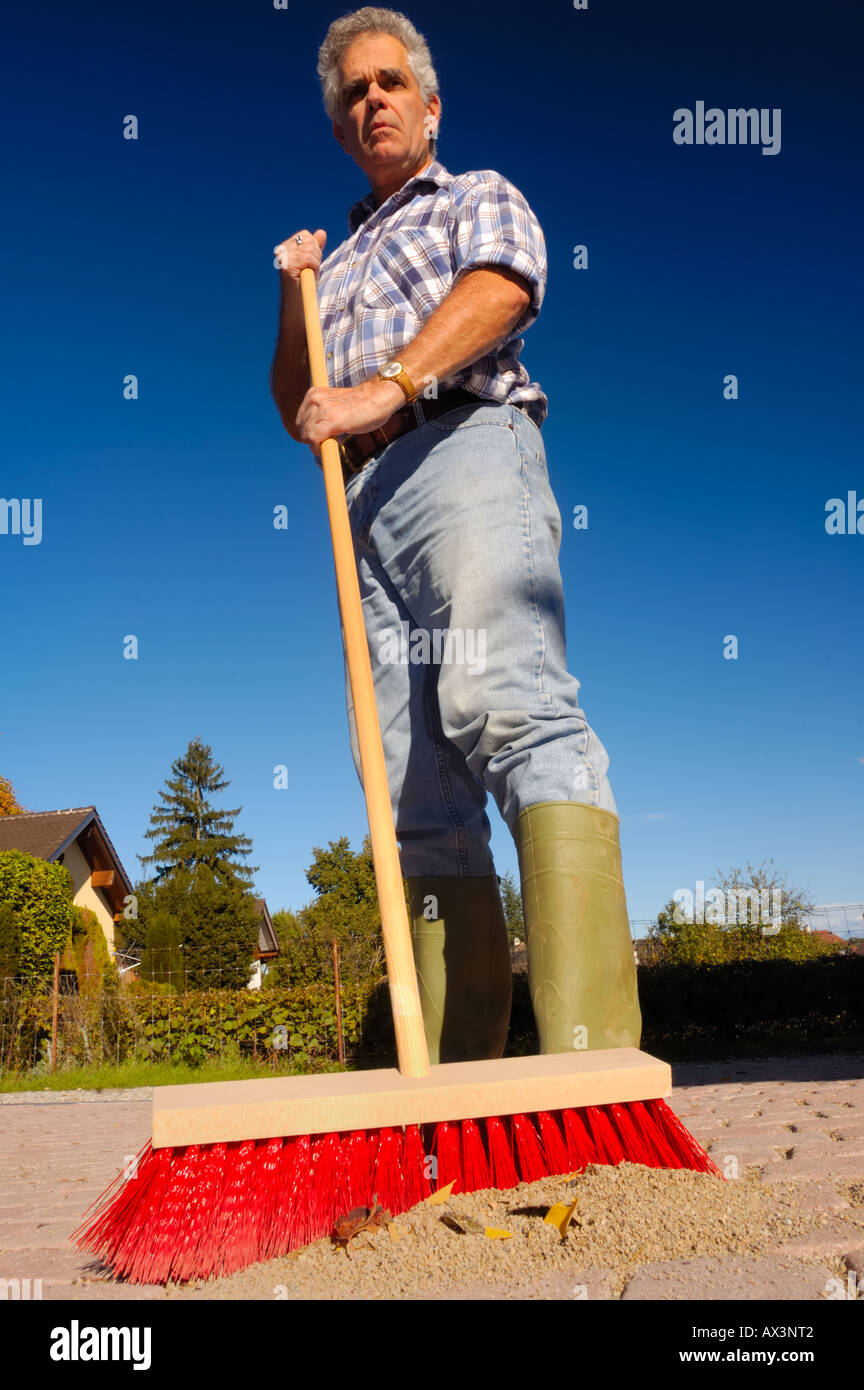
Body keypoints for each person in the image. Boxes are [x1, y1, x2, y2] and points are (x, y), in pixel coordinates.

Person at [270, 6, 641, 1064]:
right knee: (410, 790)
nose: (371, 99)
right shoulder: (329, 270)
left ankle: (592, 1060)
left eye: (390, 83)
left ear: (430, 108)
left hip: (466, 446)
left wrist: (384, 384)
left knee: (508, 705)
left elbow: (507, 288)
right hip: (365, 509)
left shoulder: (475, 196)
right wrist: (291, 304)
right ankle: (456, 1081)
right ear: (342, 130)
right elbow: (302, 406)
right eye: (353, 93)